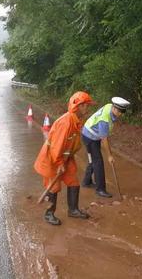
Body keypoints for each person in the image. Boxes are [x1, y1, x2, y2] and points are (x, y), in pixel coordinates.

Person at [34, 91, 96, 225]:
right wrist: (60, 163)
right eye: (86, 105)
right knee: (53, 186)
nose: (88, 108)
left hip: (65, 157)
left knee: (73, 180)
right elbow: (57, 147)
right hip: (52, 159)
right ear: (78, 106)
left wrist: (67, 159)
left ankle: (73, 210)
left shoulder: (76, 120)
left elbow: (71, 143)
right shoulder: (66, 122)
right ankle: (49, 213)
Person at [81, 97, 131, 198]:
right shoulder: (104, 120)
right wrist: (109, 156)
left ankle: (86, 182)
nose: (120, 114)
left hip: (91, 134)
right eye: (119, 111)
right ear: (114, 108)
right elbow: (104, 139)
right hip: (90, 137)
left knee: (93, 160)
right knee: (98, 162)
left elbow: (104, 136)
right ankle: (100, 189)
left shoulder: (110, 106)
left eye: (122, 112)